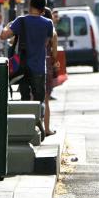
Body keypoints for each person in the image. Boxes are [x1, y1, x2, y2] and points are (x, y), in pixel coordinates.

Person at [0, 0, 55, 135]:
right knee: (38, 100)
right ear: (43, 9)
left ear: (30, 5)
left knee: (24, 99)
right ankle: (39, 124)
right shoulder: (48, 23)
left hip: (22, 67)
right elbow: (46, 43)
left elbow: (4, 35)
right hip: (39, 67)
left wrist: (8, 26)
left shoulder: (21, 21)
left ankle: (27, 130)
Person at [41, 8, 60, 136]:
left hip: (33, 63)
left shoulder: (36, 29)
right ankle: (46, 129)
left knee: (34, 99)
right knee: (46, 100)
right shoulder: (52, 33)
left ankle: (35, 128)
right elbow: (54, 54)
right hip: (46, 64)